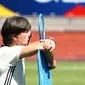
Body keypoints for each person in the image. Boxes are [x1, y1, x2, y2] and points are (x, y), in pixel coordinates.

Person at [0, 16, 56, 85]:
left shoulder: (15, 51)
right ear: (14, 36)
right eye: (26, 31)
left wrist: (51, 58)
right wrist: (50, 41)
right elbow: (41, 46)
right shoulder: (6, 52)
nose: (31, 35)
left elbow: (41, 47)